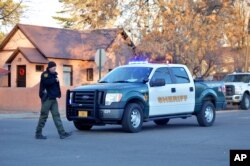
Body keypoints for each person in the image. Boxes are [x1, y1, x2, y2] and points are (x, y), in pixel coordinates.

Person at [35, 61, 72, 139]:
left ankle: (62, 133)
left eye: (55, 68)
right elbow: (46, 82)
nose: (55, 69)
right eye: (53, 68)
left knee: (56, 116)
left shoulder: (55, 75)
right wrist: (54, 80)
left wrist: (58, 94)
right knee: (44, 116)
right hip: (47, 99)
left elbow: (56, 86)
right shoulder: (45, 74)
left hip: (53, 99)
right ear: (49, 67)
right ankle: (38, 133)